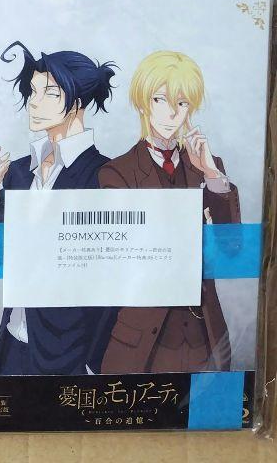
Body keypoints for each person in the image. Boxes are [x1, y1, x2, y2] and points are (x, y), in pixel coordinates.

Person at [0, 41, 118, 375]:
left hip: (70, 359)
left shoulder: (105, 176)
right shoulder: (19, 173)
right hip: (11, 348)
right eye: (33, 91)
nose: (34, 103)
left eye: (50, 93)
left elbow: (114, 285)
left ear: (78, 101)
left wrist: (93, 364)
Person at [99, 51, 237, 373]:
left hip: (206, 337)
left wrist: (211, 175)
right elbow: (125, 255)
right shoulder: (116, 173)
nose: (171, 113)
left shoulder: (211, 168)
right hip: (143, 341)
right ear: (143, 102)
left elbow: (232, 248)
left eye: (182, 102)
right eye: (160, 99)